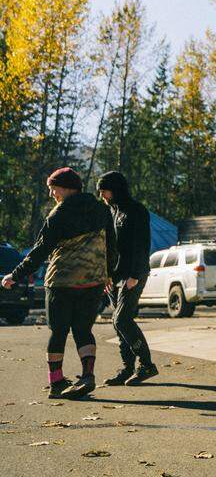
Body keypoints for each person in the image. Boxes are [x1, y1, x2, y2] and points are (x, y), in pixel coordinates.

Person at [1, 168, 115, 400]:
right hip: (93, 280)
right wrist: (108, 273)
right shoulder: (103, 210)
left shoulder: (59, 214)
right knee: (83, 329)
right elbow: (111, 245)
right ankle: (87, 375)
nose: (52, 193)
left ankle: (56, 382)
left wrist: (15, 275)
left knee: (59, 331)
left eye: (53, 188)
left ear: (65, 187)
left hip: (62, 282)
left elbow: (40, 251)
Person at [96, 171, 158, 386]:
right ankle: (127, 367)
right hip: (114, 276)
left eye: (104, 190)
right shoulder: (111, 211)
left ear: (116, 189)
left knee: (121, 319)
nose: (102, 195)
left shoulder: (136, 210)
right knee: (118, 323)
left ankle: (147, 365)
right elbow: (109, 248)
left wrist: (134, 275)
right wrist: (106, 275)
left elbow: (141, 244)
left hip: (135, 273)